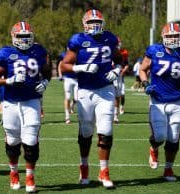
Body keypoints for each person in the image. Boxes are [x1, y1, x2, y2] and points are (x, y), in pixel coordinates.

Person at [60, 9, 122, 188]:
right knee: (86, 132)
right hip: (86, 91)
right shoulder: (78, 40)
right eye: (91, 22)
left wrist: (117, 70)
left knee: (106, 131)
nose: (94, 25)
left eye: (97, 22)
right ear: (84, 24)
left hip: (106, 90)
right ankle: (84, 165)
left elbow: (119, 59)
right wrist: (81, 68)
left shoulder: (110, 38)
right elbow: (64, 66)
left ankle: (104, 171)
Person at [0, 21, 51, 192]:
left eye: (27, 36)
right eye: (20, 36)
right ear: (13, 36)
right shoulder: (5, 53)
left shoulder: (39, 51)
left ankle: (30, 176)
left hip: (32, 100)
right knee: (13, 140)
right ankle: (14, 172)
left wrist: (45, 82)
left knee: (31, 140)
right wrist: (9, 80)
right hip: (10, 102)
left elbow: (47, 70)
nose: (24, 40)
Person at [139, 22, 180, 182]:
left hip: (177, 101)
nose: (172, 39)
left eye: (175, 36)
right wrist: (145, 84)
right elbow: (143, 70)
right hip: (158, 100)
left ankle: (168, 169)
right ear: (163, 37)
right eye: (169, 36)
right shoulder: (154, 51)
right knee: (160, 136)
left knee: (174, 138)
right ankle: (154, 148)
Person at [58, 51, 78, 124]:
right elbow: (60, 64)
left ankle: (72, 105)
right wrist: (60, 74)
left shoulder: (80, 53)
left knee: (77, 98)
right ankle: (67, 117)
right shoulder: (64, 54)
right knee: (68, 97)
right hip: (67, 78)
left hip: (77, 79)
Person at [113, 37, 129, 122]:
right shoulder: (107, 49)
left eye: (119, 42)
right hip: (106, 76)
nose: (119, 44)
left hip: (117, 76)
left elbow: (124, 64)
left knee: (118, 95)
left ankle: (115, 115)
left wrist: (122, 71)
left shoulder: (122, 53)